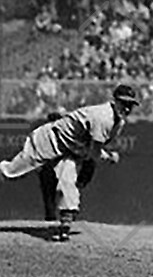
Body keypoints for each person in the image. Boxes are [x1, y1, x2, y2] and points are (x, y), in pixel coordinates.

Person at [1, 84, 139, 242]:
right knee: (10, 172)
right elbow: (94, 153)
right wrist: (108, 157)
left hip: (71, 150)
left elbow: (92, 149)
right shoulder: (103, 117)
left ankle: (65, 225)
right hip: (50, 140)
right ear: (114, 101)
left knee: (67, 182)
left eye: (130, 105)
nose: (127, 108)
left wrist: (98, 157)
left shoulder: (118, 123)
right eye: (124, 103)